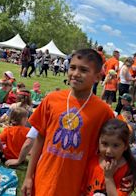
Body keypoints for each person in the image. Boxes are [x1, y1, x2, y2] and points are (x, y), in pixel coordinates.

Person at [21, 49, 116, 196]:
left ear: (97, 77)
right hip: (44, 178)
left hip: (77, 183)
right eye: (72, 67)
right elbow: (39, 138)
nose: (76, 74)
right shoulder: (51, 100)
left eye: (83, 70)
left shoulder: (104, 112)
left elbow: (114, 146)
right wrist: (28, 176)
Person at [82, 119, 136, 195]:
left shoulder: (127, 171)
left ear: (125, 146)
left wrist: (108, 177)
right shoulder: (92, 162)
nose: (108, 151)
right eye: (105, 144)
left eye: (115, 145)